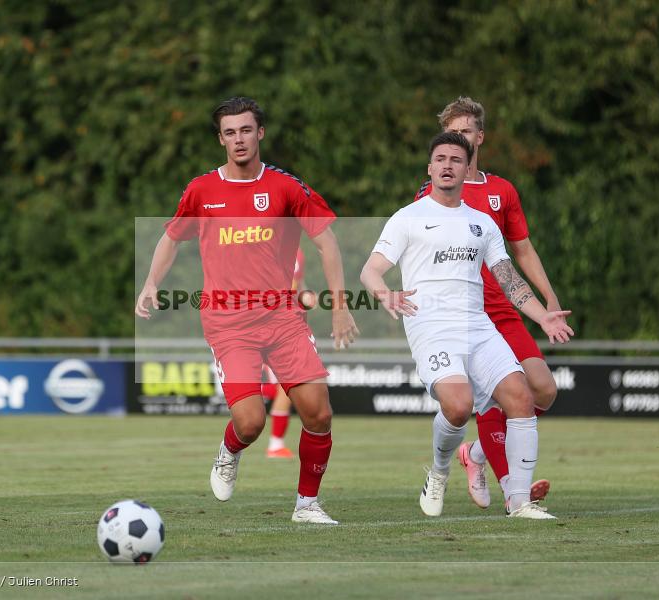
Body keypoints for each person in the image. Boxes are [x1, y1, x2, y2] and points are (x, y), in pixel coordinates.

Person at [135, 97, 358, 524]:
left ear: (261, 133)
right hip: (228, 324)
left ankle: (307, 505)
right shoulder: (202, 190)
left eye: (246, 130)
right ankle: (229, 451)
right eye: (230, 132)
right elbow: (171, 237)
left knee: (319, 412)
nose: (239, 139)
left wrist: (340, 307)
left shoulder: (287, 188)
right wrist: (150, 283)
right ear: (220, 139)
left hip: (283, 320)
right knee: (251, 421)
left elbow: (326, 241)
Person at [361, 132, 573, 519]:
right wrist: (383, 293)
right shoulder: (408, 218)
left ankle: (520, 501)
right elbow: (371, 270)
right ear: (430, 168)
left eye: (455, 160)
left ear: (466, 167)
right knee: (457, 408)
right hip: (431, 326)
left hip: (478, 325)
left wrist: (542, 314)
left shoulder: (482, 224)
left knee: (522, 397)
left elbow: (508, 277)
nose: (446, 165)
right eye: (440, 159)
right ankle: (440, 471)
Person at [414, 97, 566, 510]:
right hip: (462, 315)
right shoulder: (433, 192)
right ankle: (513, 489)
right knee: (490, 398)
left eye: (465, 132)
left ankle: (476, 453)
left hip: (502, 309)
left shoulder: (502, 192)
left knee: (544, 391)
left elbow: (523, 250)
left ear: (480, 137)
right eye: (451, 133)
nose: (459, 140)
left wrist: (547, 297)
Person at [261, 248, 307, 459]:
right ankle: (275, 445)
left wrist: (305, 298)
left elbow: (298, 284)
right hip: (270, 324)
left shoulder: (297, 252)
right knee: (284, 386)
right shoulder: (264, 246)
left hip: (288, 323)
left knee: (285, 386)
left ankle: (276, 444)